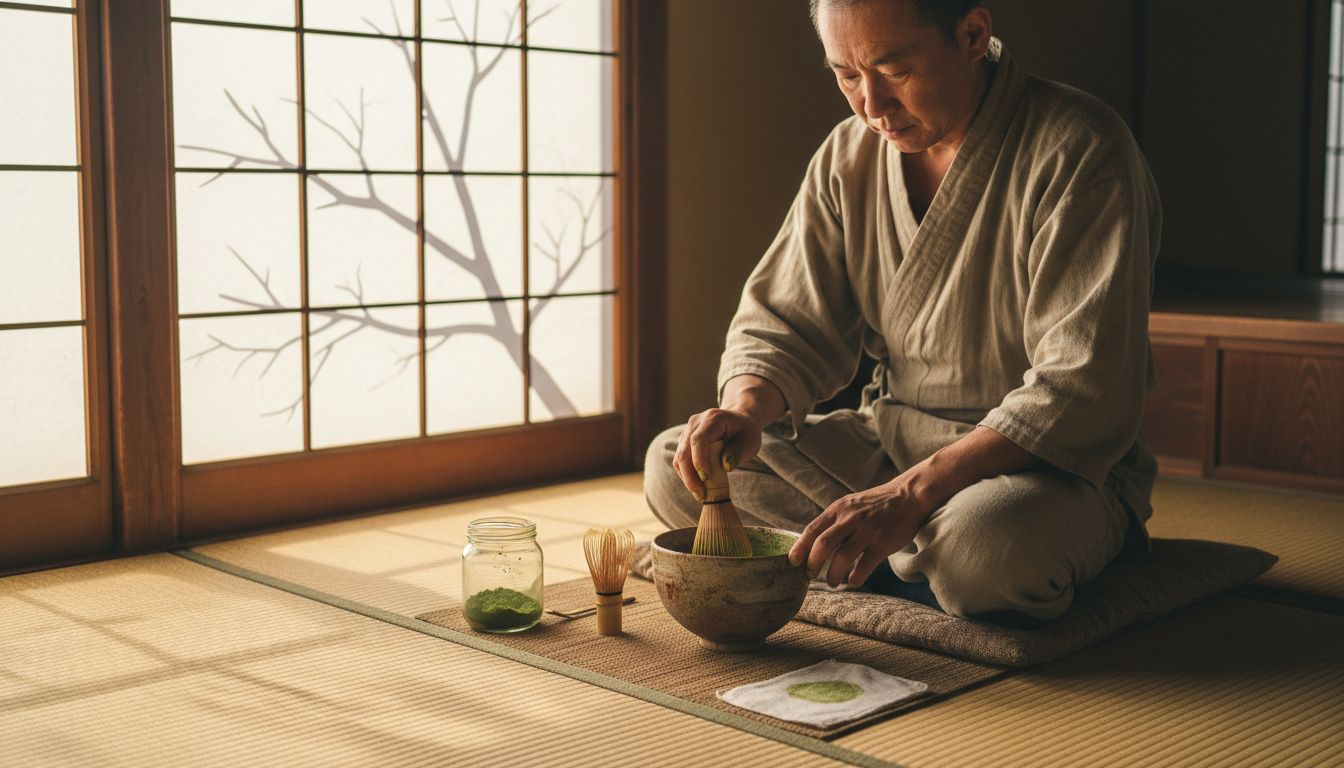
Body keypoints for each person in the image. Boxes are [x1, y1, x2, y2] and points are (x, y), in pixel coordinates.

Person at [643, 0, 1162, 623]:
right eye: (846, 75)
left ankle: (896, 556)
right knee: (677, 466)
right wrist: (744, 409)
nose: (872, 105)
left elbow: (1081, 386)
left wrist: (912, 494)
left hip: (1041, 467)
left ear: (973, 34)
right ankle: (911, 564)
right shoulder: (848, 156)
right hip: (893, 443)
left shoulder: (1079, 147)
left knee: (986, 550)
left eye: (895, 71)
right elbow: (786, 320)